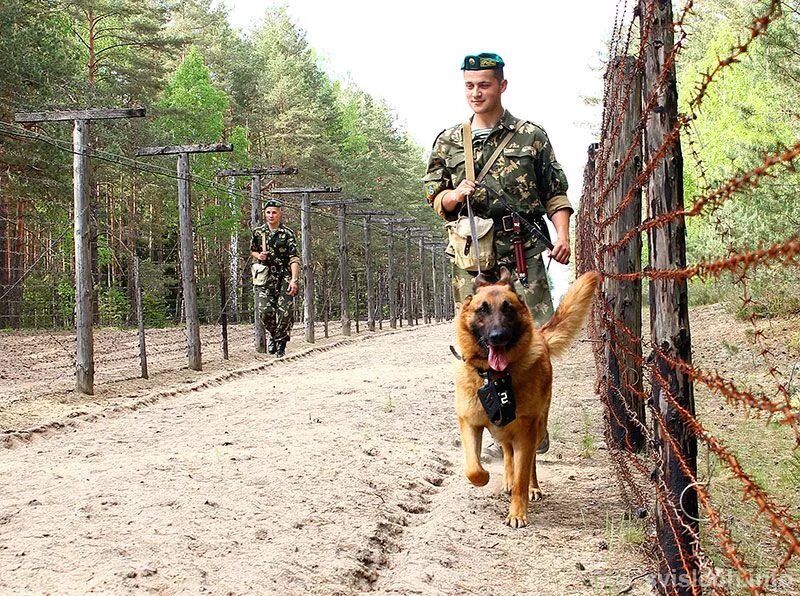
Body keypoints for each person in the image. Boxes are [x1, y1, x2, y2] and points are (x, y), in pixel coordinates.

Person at [423, 52, 574, 454]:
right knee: (481, 346)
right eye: (470, 85)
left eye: (484, 84)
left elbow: (555, 192)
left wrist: (562, 235)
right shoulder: (449, 141)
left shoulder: (531, 136)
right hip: (472, 263)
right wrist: (453, 196)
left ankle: (532, 424)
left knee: (533, 344)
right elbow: (432, 195)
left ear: (502, 85)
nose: (476, 92)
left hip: (520, 256)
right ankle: (499, 428)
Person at [249, 198, 300, 358]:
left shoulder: (287, 234)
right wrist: (259, 255)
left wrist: (294, 279)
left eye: (274, 212)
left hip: (284, 275)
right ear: (265, 214)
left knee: (285, 312)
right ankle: (275, 335)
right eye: (268, 212)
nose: (271, 215)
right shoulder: (259, 232)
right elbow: (253, 250)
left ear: (280, 213)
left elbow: (294, 258)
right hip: (265, 275)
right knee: (265, 311)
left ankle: (281, 343)